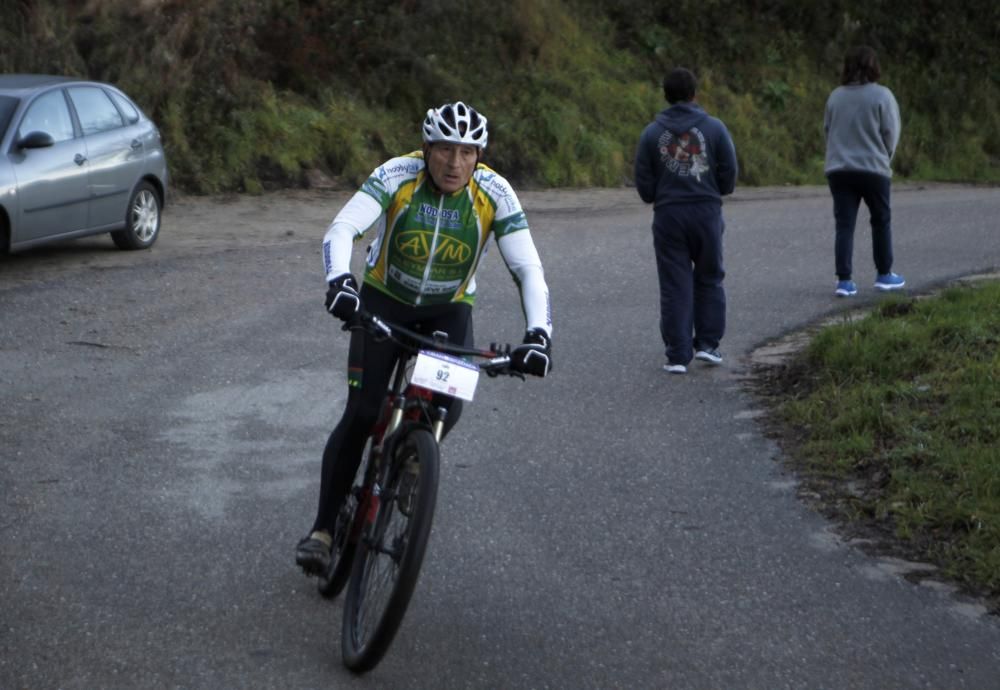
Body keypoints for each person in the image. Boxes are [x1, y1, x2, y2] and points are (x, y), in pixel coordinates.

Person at [296, 101, 553, 575]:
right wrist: (340, 282)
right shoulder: (398, 174)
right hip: (383, 299)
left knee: (446, 406)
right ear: (426, 148)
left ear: (479, 156)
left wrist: (539, 333)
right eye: (445, 151)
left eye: (467, 153)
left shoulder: (495, 192)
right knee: (363, 413)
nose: (455, 164)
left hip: (446, 310)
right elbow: (343, 228)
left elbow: (527, 267)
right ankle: (324, 530)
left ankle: (412, 462)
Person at [634, 67, 738, 375]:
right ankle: (708, 344)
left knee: (675, 284)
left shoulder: (652, 133)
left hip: (669, 215)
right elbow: (729, 170)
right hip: (706, 211)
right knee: (709, 276)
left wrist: (658, 194)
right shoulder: (715, 128)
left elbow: (644, 179)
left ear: (665, 96)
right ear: (695, 94)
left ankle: (678, 354)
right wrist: (716, 189)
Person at [824, 45, 903, 297]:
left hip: (840, 169)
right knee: (880, 220)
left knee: (844, 224)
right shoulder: (883, 96)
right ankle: (884, 274)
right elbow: (891, 132)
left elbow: (828, 130)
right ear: (874, 67)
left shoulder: (835, 96)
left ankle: (844, 280)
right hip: (873, 169)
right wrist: (884, 157)